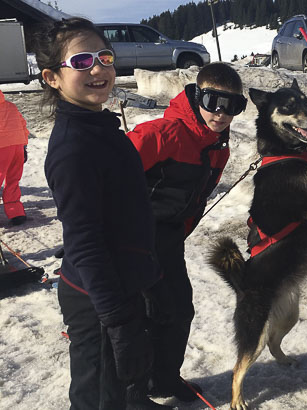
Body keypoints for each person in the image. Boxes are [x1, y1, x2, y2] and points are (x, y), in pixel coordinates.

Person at [35, 17, 167, 410]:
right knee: (97, 396)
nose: (98, 68)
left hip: (120, 286)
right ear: (52, 78)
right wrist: (117, 319)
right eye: (81, 62)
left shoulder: (98, 125)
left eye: (104, 56)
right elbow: (85, 243)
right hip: (97, 300)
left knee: (122, 388)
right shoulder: (73, 148)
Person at [126, 62, 247, 402]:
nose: (221, 113)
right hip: (135, 237)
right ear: (197, 97)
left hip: (167, 237)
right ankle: (133, 392)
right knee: (143, 313)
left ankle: (164, 378)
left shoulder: (215, 143)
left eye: (232, 106)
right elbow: (107, 173)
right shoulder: (163, 133)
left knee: (178, 309)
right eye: (213, 102)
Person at [0, 90, 28, 226]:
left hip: (2, 148)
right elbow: (23, 125)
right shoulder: (11, 106)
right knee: (13, 180)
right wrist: (24, 146)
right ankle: (16, 212)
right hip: (17, 146)